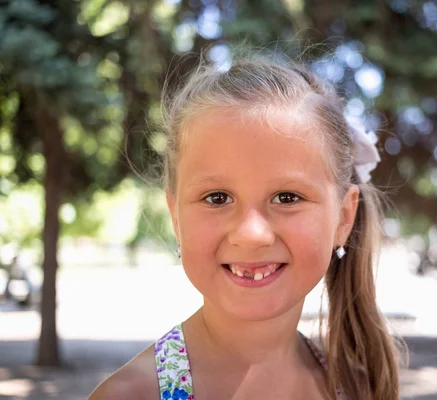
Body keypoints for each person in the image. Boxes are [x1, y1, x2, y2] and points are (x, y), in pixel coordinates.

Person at [89, 53, 401, 400]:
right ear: (176, 216)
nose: (251, 234)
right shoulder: (130, 396)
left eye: (286, 197)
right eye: (218, 198)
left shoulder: (356, 388)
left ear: (343, 218)